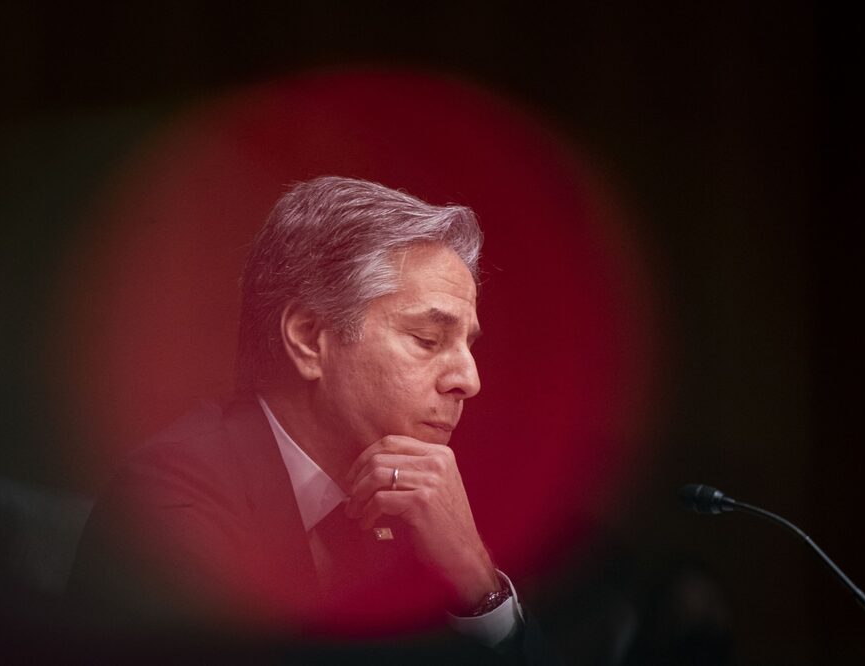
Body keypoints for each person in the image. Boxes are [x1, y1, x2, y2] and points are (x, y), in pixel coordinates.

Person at [69, 177, 556, 663]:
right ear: (308, 338)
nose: (469, 380)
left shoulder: (417, 501)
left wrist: (478, 583)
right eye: (427, 340)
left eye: (468, 346)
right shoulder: (168, 511)